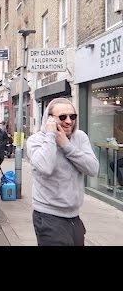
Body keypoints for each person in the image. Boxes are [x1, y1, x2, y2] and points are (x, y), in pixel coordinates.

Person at [26, 97, 99, 246]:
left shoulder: (80, 137)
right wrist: (51, 136)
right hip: (48, 216)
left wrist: (67, 145)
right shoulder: (36, 141)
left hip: (74, 217)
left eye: (72, 116)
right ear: (49, 119)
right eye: (62, 117)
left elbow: (92, 169)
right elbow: (45, 167)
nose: (68, 121)